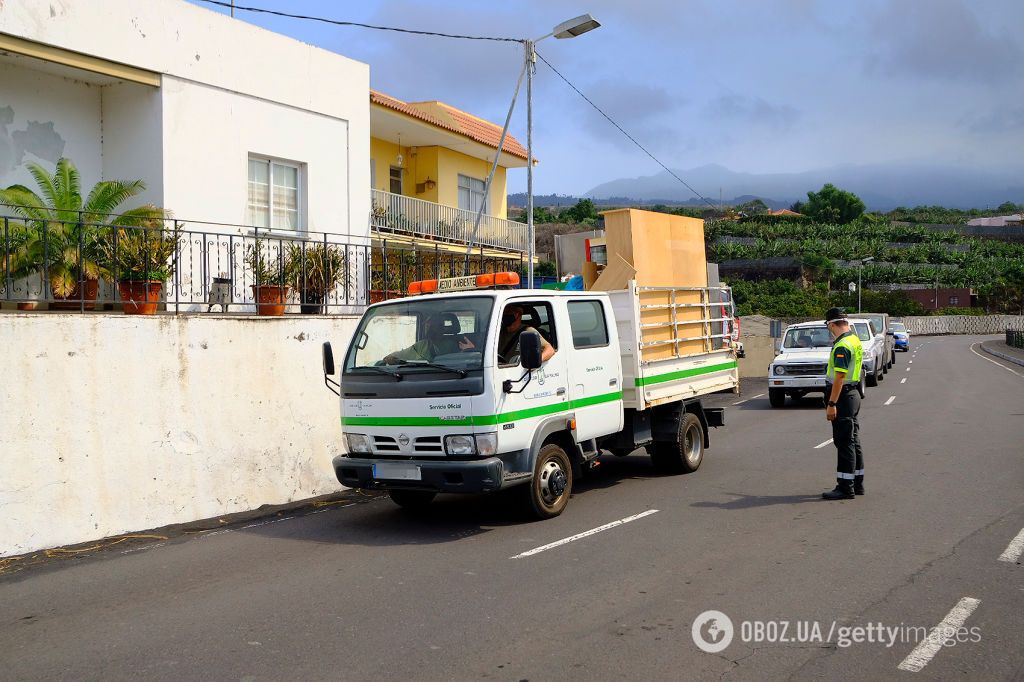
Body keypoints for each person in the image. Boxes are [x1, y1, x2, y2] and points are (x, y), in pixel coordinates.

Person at [822, 307, 865, 500]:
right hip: (853, 393)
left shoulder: (842, 346)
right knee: (853, 441)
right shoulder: (854, 340)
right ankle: (857, 484)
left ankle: (845, 487)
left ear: (831, 324)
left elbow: (839, 376)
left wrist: (831, 403)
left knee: (844, 442)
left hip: (842, 396)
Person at [383, 312, 474, 364]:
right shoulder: (422, 345)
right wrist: (391, 357)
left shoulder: (460, 343)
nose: (428, 326)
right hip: (423, 376)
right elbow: (400, 355)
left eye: (437, 324)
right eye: (428, 324)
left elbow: (473, 363)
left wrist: (470, 352)